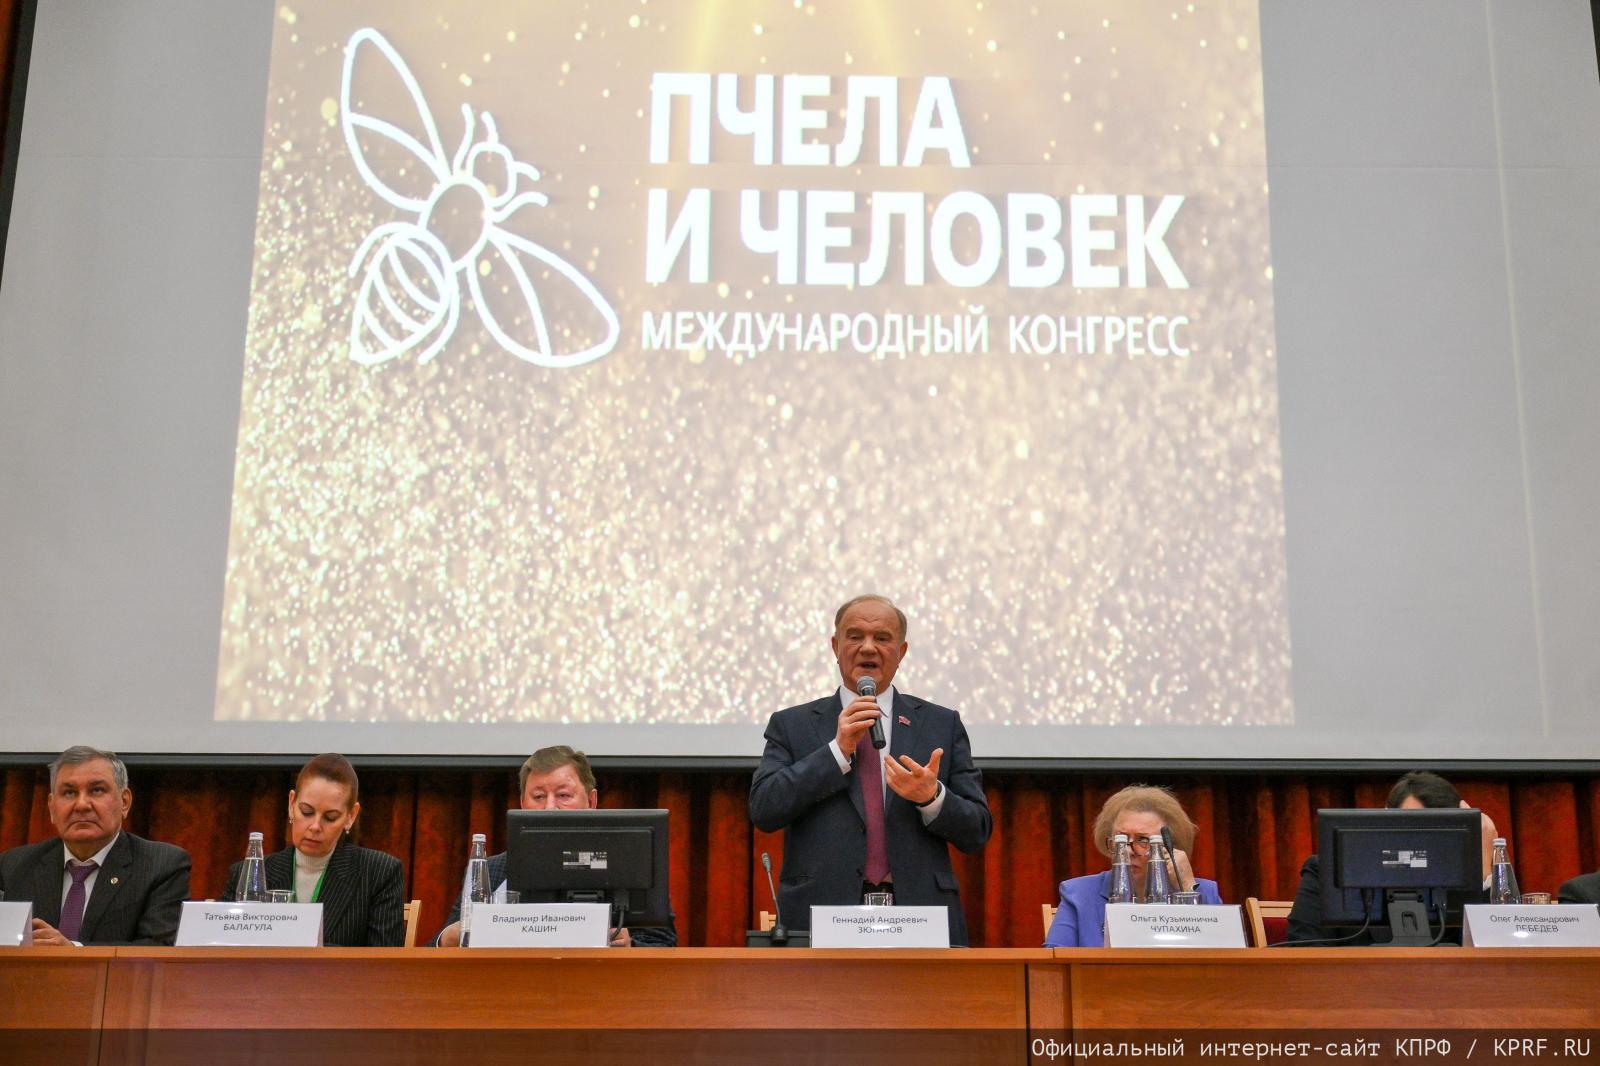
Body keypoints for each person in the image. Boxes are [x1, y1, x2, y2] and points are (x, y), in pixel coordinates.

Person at [749, 594, 993, 946]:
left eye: (882, 638)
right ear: (835, 646)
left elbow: (977, 830)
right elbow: (764, 809)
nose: (868, 647)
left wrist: (933, 798)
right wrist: (836, 752)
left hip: (920, 915)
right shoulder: (793, 725)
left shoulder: (941, 724)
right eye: (855, 636)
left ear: (901, 651)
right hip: (822, 915)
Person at [432, 746, 677, 947]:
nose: (549, 807)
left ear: (591, 801)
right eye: (538, 797)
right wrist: (449, 938)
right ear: (522, 804)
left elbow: (664, 944)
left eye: (563, 795)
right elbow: (438, 947)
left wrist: (630, 943)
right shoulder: (492, 869)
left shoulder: (627, 867)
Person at [0, 746, 190, 946]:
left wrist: (73, 952)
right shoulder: (13, 866)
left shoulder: (161, 865)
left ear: (125, 802)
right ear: (51, 807)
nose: (82, 805)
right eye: (69, 792)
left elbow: (157, 948)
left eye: (97, 790)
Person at [1286, 770, 1499, 945]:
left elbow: (1494, 955)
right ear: (1386, 819)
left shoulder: (1462, 882)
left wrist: (1482, 867)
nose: (1419, 843)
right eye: (1412, 826)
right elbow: (1303, 950)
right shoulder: (1326, 872)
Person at [220, 753, 404, 947]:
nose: (315, 826)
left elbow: (383, 959)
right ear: (291, 804)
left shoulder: (379, 873)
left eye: (330, 817)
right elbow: (219, 949)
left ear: (351, 816)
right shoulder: (247, 874)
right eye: (306, 812)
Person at [1044, 785, 1224, 947]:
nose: (1128, 850)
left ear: (1170, 847)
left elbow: (1227, 959)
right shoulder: (1079, 894)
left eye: (1143, 840)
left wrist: (1186, 889)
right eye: (1120, 840)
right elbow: (1053, 961)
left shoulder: (1206, 892)